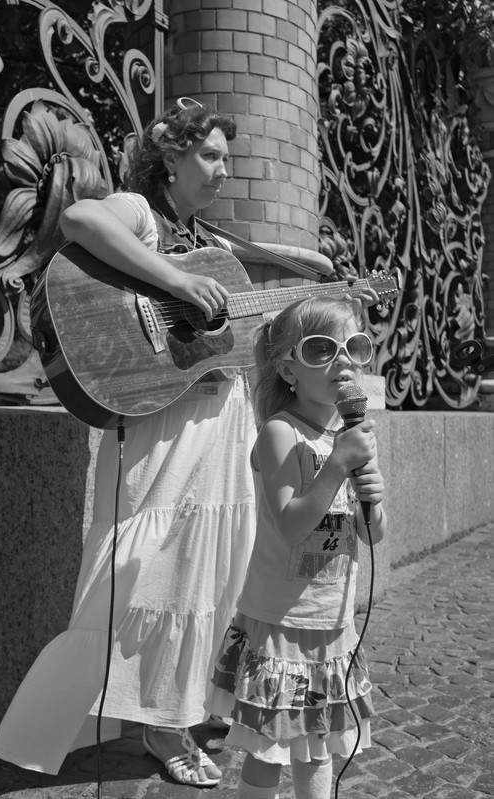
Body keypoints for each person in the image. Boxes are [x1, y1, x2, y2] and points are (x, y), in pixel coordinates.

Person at [0, 98, 262, 786]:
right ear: (171, 158)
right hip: (160, 422)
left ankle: (176, 711)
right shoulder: (143, 215)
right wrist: (175, 280)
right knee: (146, 567)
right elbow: (78, 219)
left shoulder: (211, 241)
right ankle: (152, 722)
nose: (224, 170)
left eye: (227, 158)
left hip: (218, 418)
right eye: (211, 155)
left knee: (204, 569)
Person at [205, 295, 387, 799]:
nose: (344, 360)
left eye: (354, 346)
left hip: (333, 623)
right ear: (288, 369)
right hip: (281, 624)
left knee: (320, 749)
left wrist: (371, 496)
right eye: (322, 348)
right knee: (269, 750)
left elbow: (371, 533)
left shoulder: (349, 434)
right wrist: (335, 467)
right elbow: (290, 525)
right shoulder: (279, 433)